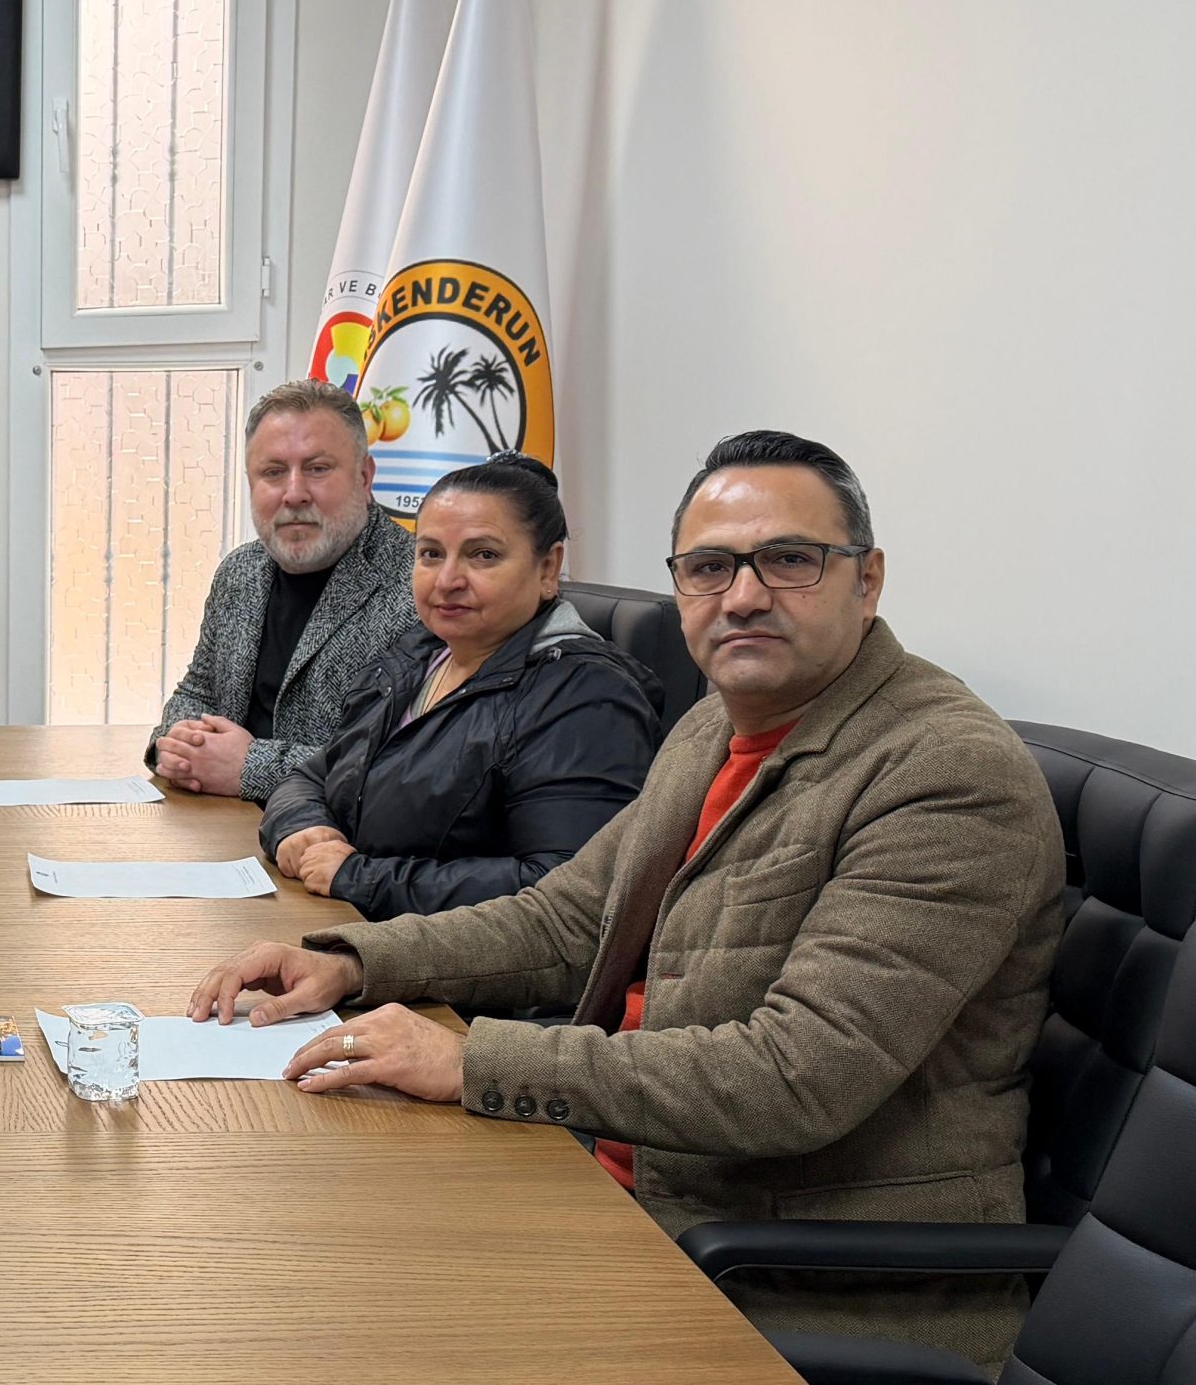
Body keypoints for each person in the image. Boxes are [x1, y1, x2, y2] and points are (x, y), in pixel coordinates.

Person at [188, 431, 1062, 1365]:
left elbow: (793, 1078)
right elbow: (568, 918)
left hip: (791, 1281)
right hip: (625, 1185)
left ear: (868, 579)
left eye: (789, 560)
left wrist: (472, 1060)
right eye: (710, 568)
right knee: (283, 1249)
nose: (744, 595)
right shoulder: (714, 725)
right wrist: (352, 961)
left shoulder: (943, 773)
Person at [260, 453, 661, 918]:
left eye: (483, 555)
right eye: (431, 554)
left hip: (450, 962)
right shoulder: (418, 655)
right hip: (353, 930)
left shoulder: (588, 699)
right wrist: (302, 827)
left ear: (548, 569)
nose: (447, 580)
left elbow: (566, 890)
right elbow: (314, 774)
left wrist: (362, 878)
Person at [149, 380, 418, 801]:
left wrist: (250, 767)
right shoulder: (239, 572)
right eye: (273, 472)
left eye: (317, 469)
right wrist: (178, 743)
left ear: (365, 477)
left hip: (337, 838)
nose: (294, 494)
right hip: (217, 823)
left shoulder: (423, 588)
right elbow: (198, 691)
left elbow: (406, 768)